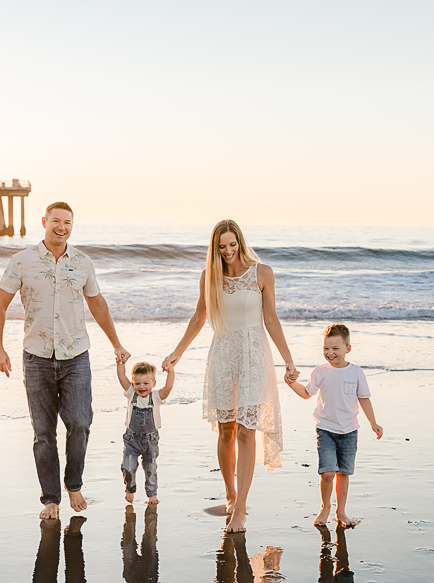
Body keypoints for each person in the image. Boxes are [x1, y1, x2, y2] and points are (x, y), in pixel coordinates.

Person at [0, 201, 130, 520]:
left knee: (80, 423)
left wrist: (117, 344)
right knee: (43, 432)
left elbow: (97, 305)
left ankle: (73, 483)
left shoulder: (82, 263)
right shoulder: (21, 261)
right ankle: (50, 498)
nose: (61, 227)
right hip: (36, 357)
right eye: (56, 221)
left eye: (67, 222)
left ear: (71, 226)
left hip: (75, 355)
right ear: (44, 222)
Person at [162, 219, 298, 533]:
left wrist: (289, 360)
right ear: (215, 248)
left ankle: (240, 507)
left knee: (248, 430)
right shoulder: (210, 277)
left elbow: (272, 319)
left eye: (232, 245)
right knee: (227, 431)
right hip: (223, 355)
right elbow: (200, 316)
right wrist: (177, 352)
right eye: (221, 247)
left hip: (254, 355)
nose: (228, 251)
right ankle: (229, 492)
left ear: (240, 241)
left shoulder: (262, 273)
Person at [286, 324, 383, 527]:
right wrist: (290, 383)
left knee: (344, 473)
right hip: (325, 428)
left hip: (349, 430)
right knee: (328, 472)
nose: (330, 353)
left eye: (335, 348)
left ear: (348, 348)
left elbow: (364, 399)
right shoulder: (320, 371)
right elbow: (306, 393)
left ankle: (341, 511)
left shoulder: (356, 372)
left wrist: (373, 422)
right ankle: (325, 507)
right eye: (326, 348)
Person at [116, 360, 175, 504]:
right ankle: (130, 488)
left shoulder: (155, 396)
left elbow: (168, 388)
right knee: (128, 467)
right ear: (133, 383)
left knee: (150, 468)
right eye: (137, 383)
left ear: (153, 383)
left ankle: (152, 494)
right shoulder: (131, 393)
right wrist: (120, 363)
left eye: (145, 383)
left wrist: (171, 371)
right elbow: (122, 376)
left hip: (150, 440)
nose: (141, 387)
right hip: (132, 440)